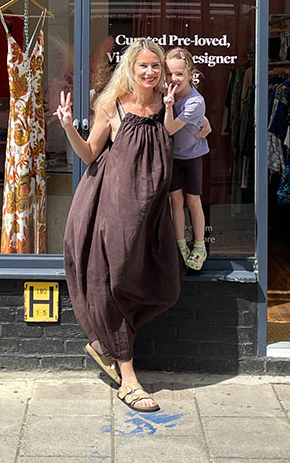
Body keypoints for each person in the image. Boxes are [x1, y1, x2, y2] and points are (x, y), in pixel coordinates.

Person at [56, 38, 201, 414]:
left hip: (153, 213)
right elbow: (89, 153)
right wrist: (69, 128)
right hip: (116, 207)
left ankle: (104, 345)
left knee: (166, 285)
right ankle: (129, 376)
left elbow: (193, 130)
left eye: (157, 67)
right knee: (116, 280)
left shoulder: (165, 105)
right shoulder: (112, 105)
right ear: (131, 68)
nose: (151, 73)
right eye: (144, 67)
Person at [164, 47, 210, 271]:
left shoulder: (195, 101)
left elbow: (170, 129)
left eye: (179, 74)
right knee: (175, 200)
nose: (174, 79)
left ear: (191, 74)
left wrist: (169, 106)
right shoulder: (164, 94)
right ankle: (180, 243)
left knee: (193, 200)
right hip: (172, 157)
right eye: (169, 74)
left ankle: (200, 246)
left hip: (192, 156)